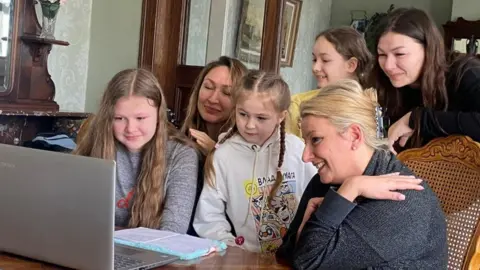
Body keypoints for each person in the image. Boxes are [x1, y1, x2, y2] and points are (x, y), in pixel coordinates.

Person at [276, 79, 447, 269]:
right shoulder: (325, 180)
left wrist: (350, 188)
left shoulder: (401, 201)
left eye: (316, 140)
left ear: (355, 136)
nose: (305, 156)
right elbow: (287, 254)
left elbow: (307, 262)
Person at [193, 70, 317, 253]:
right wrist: (231, 248)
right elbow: (209, 216)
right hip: (246, 261)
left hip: (298, 257)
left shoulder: (299, 150)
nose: (249, 125)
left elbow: (317, 201)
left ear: (281, 116)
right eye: (243, 114)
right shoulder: (223, 156)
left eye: (261, 118)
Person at [74, 68, 199, 233]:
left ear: (158, 116)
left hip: (156, 251)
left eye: (140, 118)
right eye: (119, 118)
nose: (130, 129)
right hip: (97, 247)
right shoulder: (95, 142)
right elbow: (73, 214)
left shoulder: (181, 155)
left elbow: (174, 231)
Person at [371, 8, 480, 152]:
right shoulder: (386, 85)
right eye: (382, 55)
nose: (388, 66)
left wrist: (418, 119)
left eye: (400, 54)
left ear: (429, 50)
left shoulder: (466, 72)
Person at [287, 27, 373, 137]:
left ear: (351, 65)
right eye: (314, 60)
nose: (315, 68)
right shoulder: (297, 105)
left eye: (325, 60)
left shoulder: (371, 108)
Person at [180, 56, 248, 155]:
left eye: (227, 93)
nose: (212, 99)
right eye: (208, 87)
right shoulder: (179, 139)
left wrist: (215, 152)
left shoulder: (245, 151)